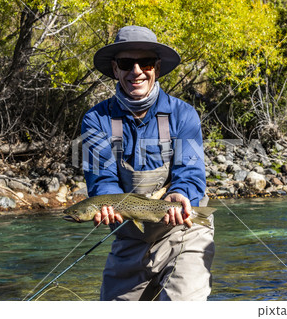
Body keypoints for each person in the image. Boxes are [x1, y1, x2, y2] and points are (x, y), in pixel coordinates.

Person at [82, 25, 214, 301]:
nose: (137, 71)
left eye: (146, 63)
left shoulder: (183, 114)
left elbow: (190, 171)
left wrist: (182, 194)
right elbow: (101, 178)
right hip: (129, 238)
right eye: (127, 63)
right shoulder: (97, 120)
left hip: (183, 229)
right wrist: (105, 204)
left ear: (157, 67)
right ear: (115, 69)